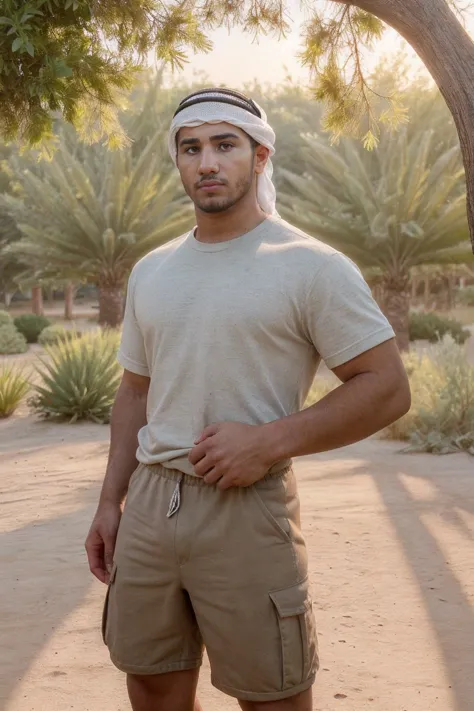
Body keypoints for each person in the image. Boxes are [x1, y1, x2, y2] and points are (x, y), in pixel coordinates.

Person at [85, 87, 411, 711]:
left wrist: (269, 441)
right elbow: (135, 391)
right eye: (191, 148)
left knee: (273, 697)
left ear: (260, 157)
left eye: (224, 145)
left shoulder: (311, 266)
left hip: (247, 507)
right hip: (152, 504)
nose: (207, 162)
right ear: (178, 161)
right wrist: (110, 501)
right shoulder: (152, 270)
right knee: (151, 682)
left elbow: (387, 386)